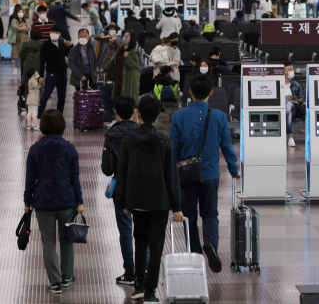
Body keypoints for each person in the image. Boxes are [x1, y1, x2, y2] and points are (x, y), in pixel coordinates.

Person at [114, 94, 183, 304]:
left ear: (138, 113)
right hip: (159, 201)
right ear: (158, 114)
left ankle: (139, 286)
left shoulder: (128, 142)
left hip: (136, 200)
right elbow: (172, 176)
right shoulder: (165, 142)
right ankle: (151, 292)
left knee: (140, 242)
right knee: (156, 246)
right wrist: (177, 206)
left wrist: (124, 203)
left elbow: (122, 173)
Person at [169, 74, 239, 273]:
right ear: (211, 92)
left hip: (185, 176)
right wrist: (234, 170)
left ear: (190, 92)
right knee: (210, 214)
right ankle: (211, 243)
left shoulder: (179, 116)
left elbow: (173, 149)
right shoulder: (219, 117)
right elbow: (227, 147)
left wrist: (172, 175)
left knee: (188, 216)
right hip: (210, 174)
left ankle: (196, 255)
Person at [24, 109, 84, 294]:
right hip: (67, 200)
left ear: (42, 127)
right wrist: (79, 201)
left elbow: (30, 179)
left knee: (48, 243)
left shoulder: (35, 149)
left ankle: (55, 282)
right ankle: (67, 276)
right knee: (67, 240)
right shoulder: (69, 148)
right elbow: (75, 178)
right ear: (61, 126)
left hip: (43, 202)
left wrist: (27, 201)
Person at [101, 94, 139, 285]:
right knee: (142, 229)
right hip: (142, 187)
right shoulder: (142, 132)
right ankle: (145, 270)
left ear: (115, 113)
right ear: (134, 111)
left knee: (125, 230)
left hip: (122, 188)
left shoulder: (111, 135)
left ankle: (130, 272)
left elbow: (107, 168)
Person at [38, 25, 73, 118]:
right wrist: (41, 76)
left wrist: (71, 45)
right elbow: (41, 62)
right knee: (45, 96)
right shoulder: (45, 45)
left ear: (60, 34)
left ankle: (59, 117)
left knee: (62, 97)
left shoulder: (62, 43)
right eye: (53, 32)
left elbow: (69, 54)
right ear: (50, 33)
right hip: (51, 74)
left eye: (56, 33)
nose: (54, 34)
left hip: (63, 74)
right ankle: (38, 117)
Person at [100, 31, 140, 101]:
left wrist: (127, 58)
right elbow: (113, 61)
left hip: (128, 79)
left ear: (131, 40)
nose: (124, 38)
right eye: (124, 36)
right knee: (118, 97)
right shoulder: (120, 50)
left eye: (127, 37)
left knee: (126, 99)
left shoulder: (133, 52)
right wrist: (104, 69)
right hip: (119, 77)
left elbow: (132, 65)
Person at [283, 61, 305, 147]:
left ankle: (280, 121)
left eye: (292, 69)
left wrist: (296, 99)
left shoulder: (296, 85)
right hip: (281, 108)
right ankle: (290, 137)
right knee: (288, 114)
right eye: (289, 69)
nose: (292, 71)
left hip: (294, 107)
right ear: (284, 72)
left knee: (288, 105)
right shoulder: (277, 84)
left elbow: (300, 100)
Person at [21, 27, 44, 100]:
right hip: (38, 69)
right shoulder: (42, 45)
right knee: (39, 88)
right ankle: (38, 106)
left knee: (27, 88)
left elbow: (21, 56)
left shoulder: (25, 44)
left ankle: (27, 107)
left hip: (27, 69)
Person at [11, 5, 30, 76]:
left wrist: (19, 27)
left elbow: (28, 28)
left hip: (25, 40)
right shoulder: (14, 20)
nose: (21, 13)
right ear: (16, 12)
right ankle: (16, 68)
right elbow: (15, 28)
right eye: (19, 12)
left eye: (22, 12)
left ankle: (22, 69)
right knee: (17, 55)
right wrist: (23, 27)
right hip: (17, 40)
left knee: (24, 56)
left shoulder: (26, 20)